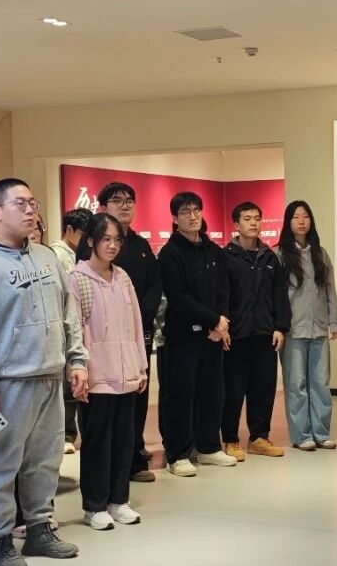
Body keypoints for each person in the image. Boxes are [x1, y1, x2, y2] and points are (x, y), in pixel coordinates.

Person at [0, 178, 86, 566]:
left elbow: (69, 311)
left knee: (45, 459)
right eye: (20, 204)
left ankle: (40, 528)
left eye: (33, 203)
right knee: (0, 464)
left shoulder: (46, 257)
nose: (31, 211)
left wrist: (76, 360)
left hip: (49, 374)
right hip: (7, 382)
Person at [69, 213, 148, 530]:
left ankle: (118, 500)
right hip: (96, 376)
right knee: (97, 443)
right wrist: (78, 368)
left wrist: (140, 366)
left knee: (123, 442)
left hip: (127, 374)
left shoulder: (123, 277)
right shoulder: (78, 279)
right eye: (106, 239)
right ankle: (94, 505)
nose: (112, 246)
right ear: (91, 241)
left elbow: (136, 323)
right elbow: (74, 327)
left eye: (117, 240)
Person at [157, 192, 235, 476]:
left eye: (196, 210)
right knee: (180, 395)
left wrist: (221, 323)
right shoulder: (170, 253)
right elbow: (179, 297)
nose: (192, 216)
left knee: (212, 393)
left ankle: (209, 447)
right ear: (175, 218)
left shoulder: (214, 251)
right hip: (182, 337)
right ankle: (178, 454)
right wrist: (213, 319)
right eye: (185, 212)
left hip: (212, 336)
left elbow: (224, 290)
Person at [97, 182, 162, 483]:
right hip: (106, 339)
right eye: (116, 200)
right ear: (103, 207)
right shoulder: (94, 246)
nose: (124, 205)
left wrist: (140, 318)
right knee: (110, 399)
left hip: (139, 333)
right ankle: (110, 462)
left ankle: (134, 457)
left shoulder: (140, 245)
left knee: (138, 393)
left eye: (129, 200)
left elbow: (155, 284)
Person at [222, 201, 290, 460]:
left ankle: (259, 437)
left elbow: (280, 296)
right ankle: (230, 440)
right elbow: (221, 295)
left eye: (257, 218)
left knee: (263, 389)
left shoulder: (270, 257)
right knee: (233, 390)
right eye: (247, 218)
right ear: (236, 225)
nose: (253, 223)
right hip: (235, 336)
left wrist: (280, 327)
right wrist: (222, 326)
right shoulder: (226, 257)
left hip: (264, 334)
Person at [276, 200, 337, 452]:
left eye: (305, 216)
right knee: (297, 384)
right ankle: (301, 434)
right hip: (293, 330)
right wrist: (279, 326)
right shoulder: (280, 255)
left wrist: (334, 320)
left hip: (319, 328)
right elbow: (276, 296)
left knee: (321, 383)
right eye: (296, 217)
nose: (301, 221)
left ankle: (321, 433)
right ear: (288, 222)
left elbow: (330, 290)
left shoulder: (320, 254)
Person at [51, 207, 92, 454]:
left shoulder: (78, 254)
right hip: (64, 325)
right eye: (83, 234)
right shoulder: (58, 254)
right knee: (67, 387)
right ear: (69, 230)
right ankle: (66, 434)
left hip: (78, 325)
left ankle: (70, 433)